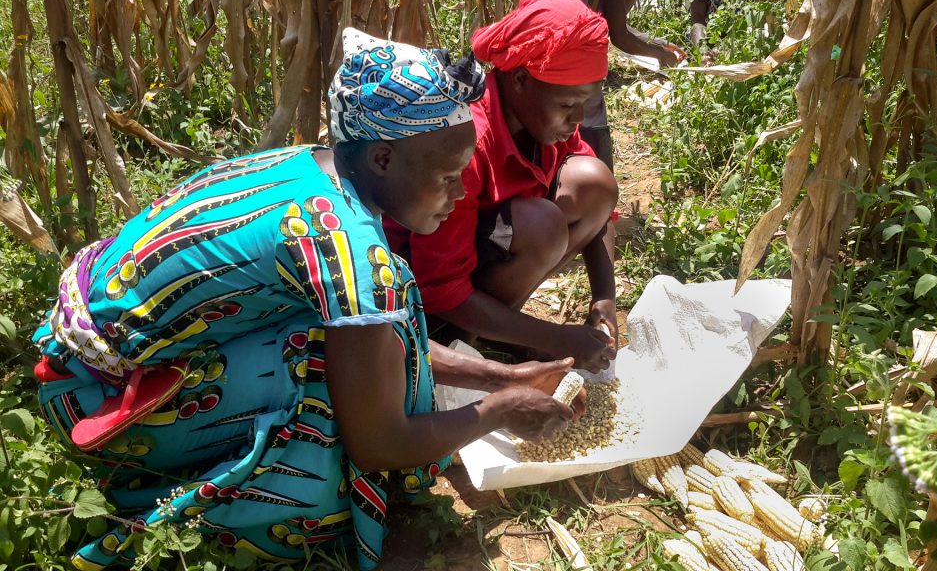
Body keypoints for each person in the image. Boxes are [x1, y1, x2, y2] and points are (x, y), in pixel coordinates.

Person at [32, 29, 582, 571]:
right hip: (106, 405)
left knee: (367, 330)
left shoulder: (309, 166)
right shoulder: (352, 254)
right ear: (384, 159)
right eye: (447, 176)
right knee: (334, 408)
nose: (460, 193)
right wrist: (499, 411)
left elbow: (383, 342)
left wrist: (495, 375)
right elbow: (380, 443)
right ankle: (203, 496)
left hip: (76, 360)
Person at [386, 0, 620, 374]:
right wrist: (554, 338)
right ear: (523, 81)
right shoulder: (466, 145)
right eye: (567, 105)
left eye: (585, 105)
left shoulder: (546, 125)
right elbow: (439, 288)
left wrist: (604, 298)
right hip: (427, 291)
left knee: (595, 183)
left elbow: (602, 207)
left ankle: (503, 324)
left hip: (478, 257)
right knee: (541, 224)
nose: (577, 118)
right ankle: (461, 335)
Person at [574, 0, 685, 171]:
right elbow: (620, 36)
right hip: (574, 57)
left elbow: (615, 23)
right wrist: (660, 54)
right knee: (587, 127)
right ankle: (597, 183)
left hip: (549, 49)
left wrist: (659, 44)